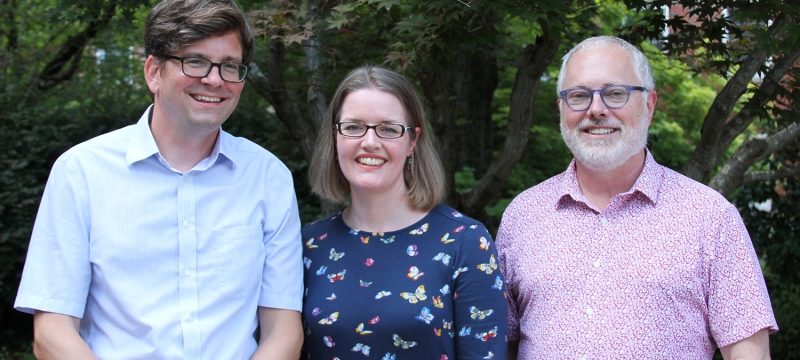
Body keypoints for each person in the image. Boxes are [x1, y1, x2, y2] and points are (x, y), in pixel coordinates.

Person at [14, 0, 303, 358]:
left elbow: (283, 330)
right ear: (154, 72)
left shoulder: (268, 176)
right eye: (195, 61)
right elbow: (52, 331)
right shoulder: (81, 172)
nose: (215, 80)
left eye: (230, 66)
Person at [496, 36, 778, 359]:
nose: (596, 109)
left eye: (616, 93)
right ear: (561, 108)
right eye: (579, 95)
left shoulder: (710, 217)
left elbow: (749, 354)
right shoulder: (523, 216)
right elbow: (500, 346)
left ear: (649, 105)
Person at [301, 65, 507, 359]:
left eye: (388, 129)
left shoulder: (464, 242)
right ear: (336, 138)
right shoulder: (310, 244)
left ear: (412, 141)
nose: (369, 142)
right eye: (354, 127)